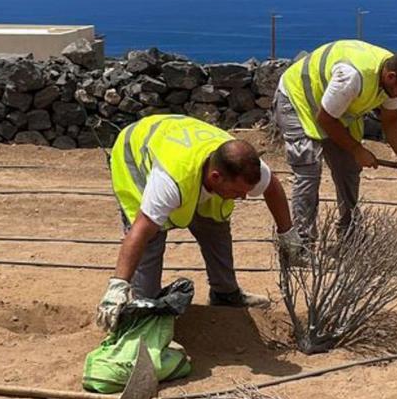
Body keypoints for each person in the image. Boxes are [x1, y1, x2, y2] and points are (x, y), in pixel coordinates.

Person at [96, 113, 303, 330]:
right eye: (237, 191)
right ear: (216, 177)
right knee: (152, 238)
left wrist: (287, 233)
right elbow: (140, 230)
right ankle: (143, 310)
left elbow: (272, 187)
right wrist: (118, 286)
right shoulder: (169, 181)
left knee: (215, 224)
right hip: (137, 151)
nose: (243, 197)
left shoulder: (243, 166)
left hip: (179, 137)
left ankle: (225, 295)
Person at [274, 39, 397, 238]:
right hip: (298, 99)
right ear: (391, 77)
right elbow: (325, 119)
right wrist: (357, 150)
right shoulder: (352, 77)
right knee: (309, 169)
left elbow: (391, 120)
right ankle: (303, 242)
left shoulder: (393, 81)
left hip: (334, 110)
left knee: (348, 168)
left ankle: (349, 235)